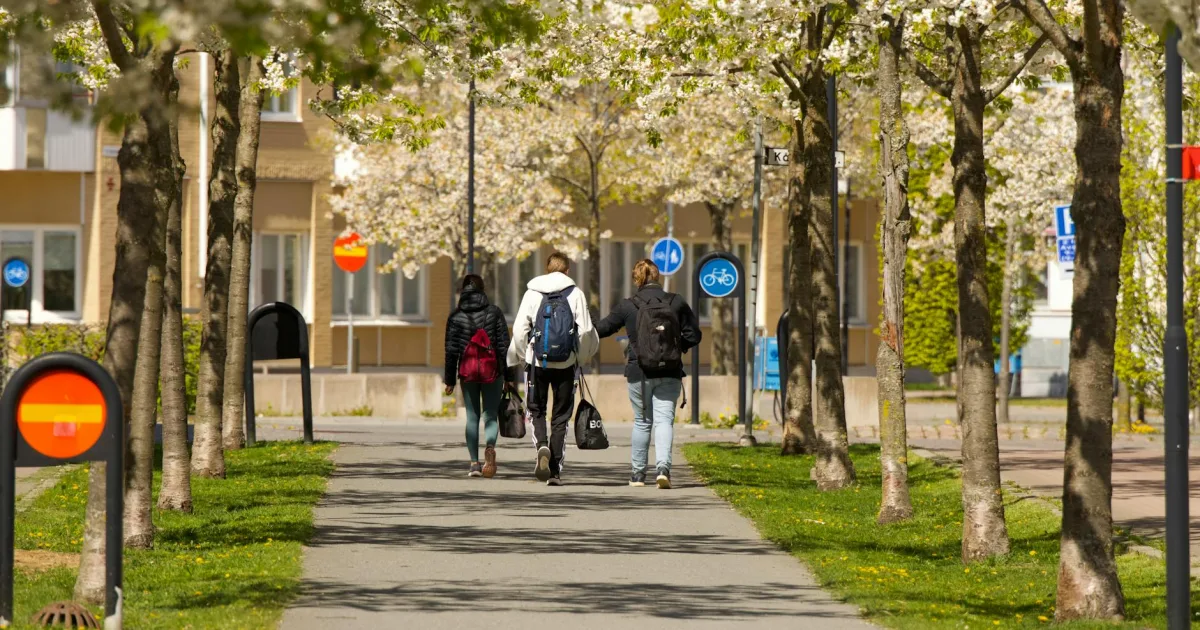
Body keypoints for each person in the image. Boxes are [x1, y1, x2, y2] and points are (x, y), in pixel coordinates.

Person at [596, 259, 700, 489]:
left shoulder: (628, 305)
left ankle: (637, 475)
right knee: (664, 421)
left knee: (642, 422)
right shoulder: (676, 301)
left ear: (637, 279)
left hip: (638, 372)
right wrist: (675, 348)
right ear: (657, 276)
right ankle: (663, 469)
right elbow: (695, 335)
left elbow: (602, 329)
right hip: (671, 370)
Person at [507, 252, 599, 486]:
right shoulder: (575, 293)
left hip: (537, 363)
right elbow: (587, 330)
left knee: (535, 409)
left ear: (547, 269)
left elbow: (519, 330)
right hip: (566, 364)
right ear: (567, 271)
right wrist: (583, 356)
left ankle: (542, 446)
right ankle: (555, 470)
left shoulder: (532, 292)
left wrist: (521, 357)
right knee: (561, 416)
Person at [444, 274, 511, 478]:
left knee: (472, 417)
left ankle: (474, 464)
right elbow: (504, 346)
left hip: (468, 373)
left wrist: (449, 380)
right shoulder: (495, 313)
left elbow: (451, 350)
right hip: (493, 372)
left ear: (463, 291)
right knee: (490, 415)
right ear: (483, 290)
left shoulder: (455, 316)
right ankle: (490, 447)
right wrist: (508, 376)